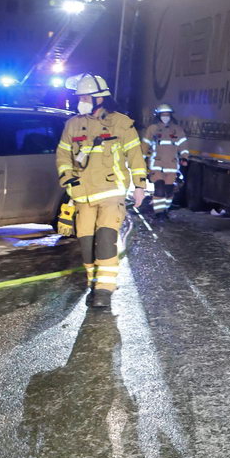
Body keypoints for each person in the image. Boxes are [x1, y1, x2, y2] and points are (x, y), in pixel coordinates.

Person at [55, 75, 147, 308]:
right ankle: (93, 283)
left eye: (86, 97)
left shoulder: (121, 123)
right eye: (80, 97)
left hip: (110, 192)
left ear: (100, 98)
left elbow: (135, 157)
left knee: (106, 240)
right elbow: (63, 155)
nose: (81, 101)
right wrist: (68, 178)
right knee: (87, 245)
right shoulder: (73, 124)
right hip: (82, 195)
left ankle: (104, 291)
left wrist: (139, 186)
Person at [142, 103, 188, 218]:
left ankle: (165, 209)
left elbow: (183, 144)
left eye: (167, 115)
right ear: (158, 115)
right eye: (163, 115)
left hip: (171, 165)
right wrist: (141, 159)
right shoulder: (152, 129)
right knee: (159, 189)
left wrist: (184, 157)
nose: (165, 117)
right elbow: (145, 144)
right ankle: (159, 213)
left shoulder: (177, 130)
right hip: (156, 164)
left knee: (169, 190)